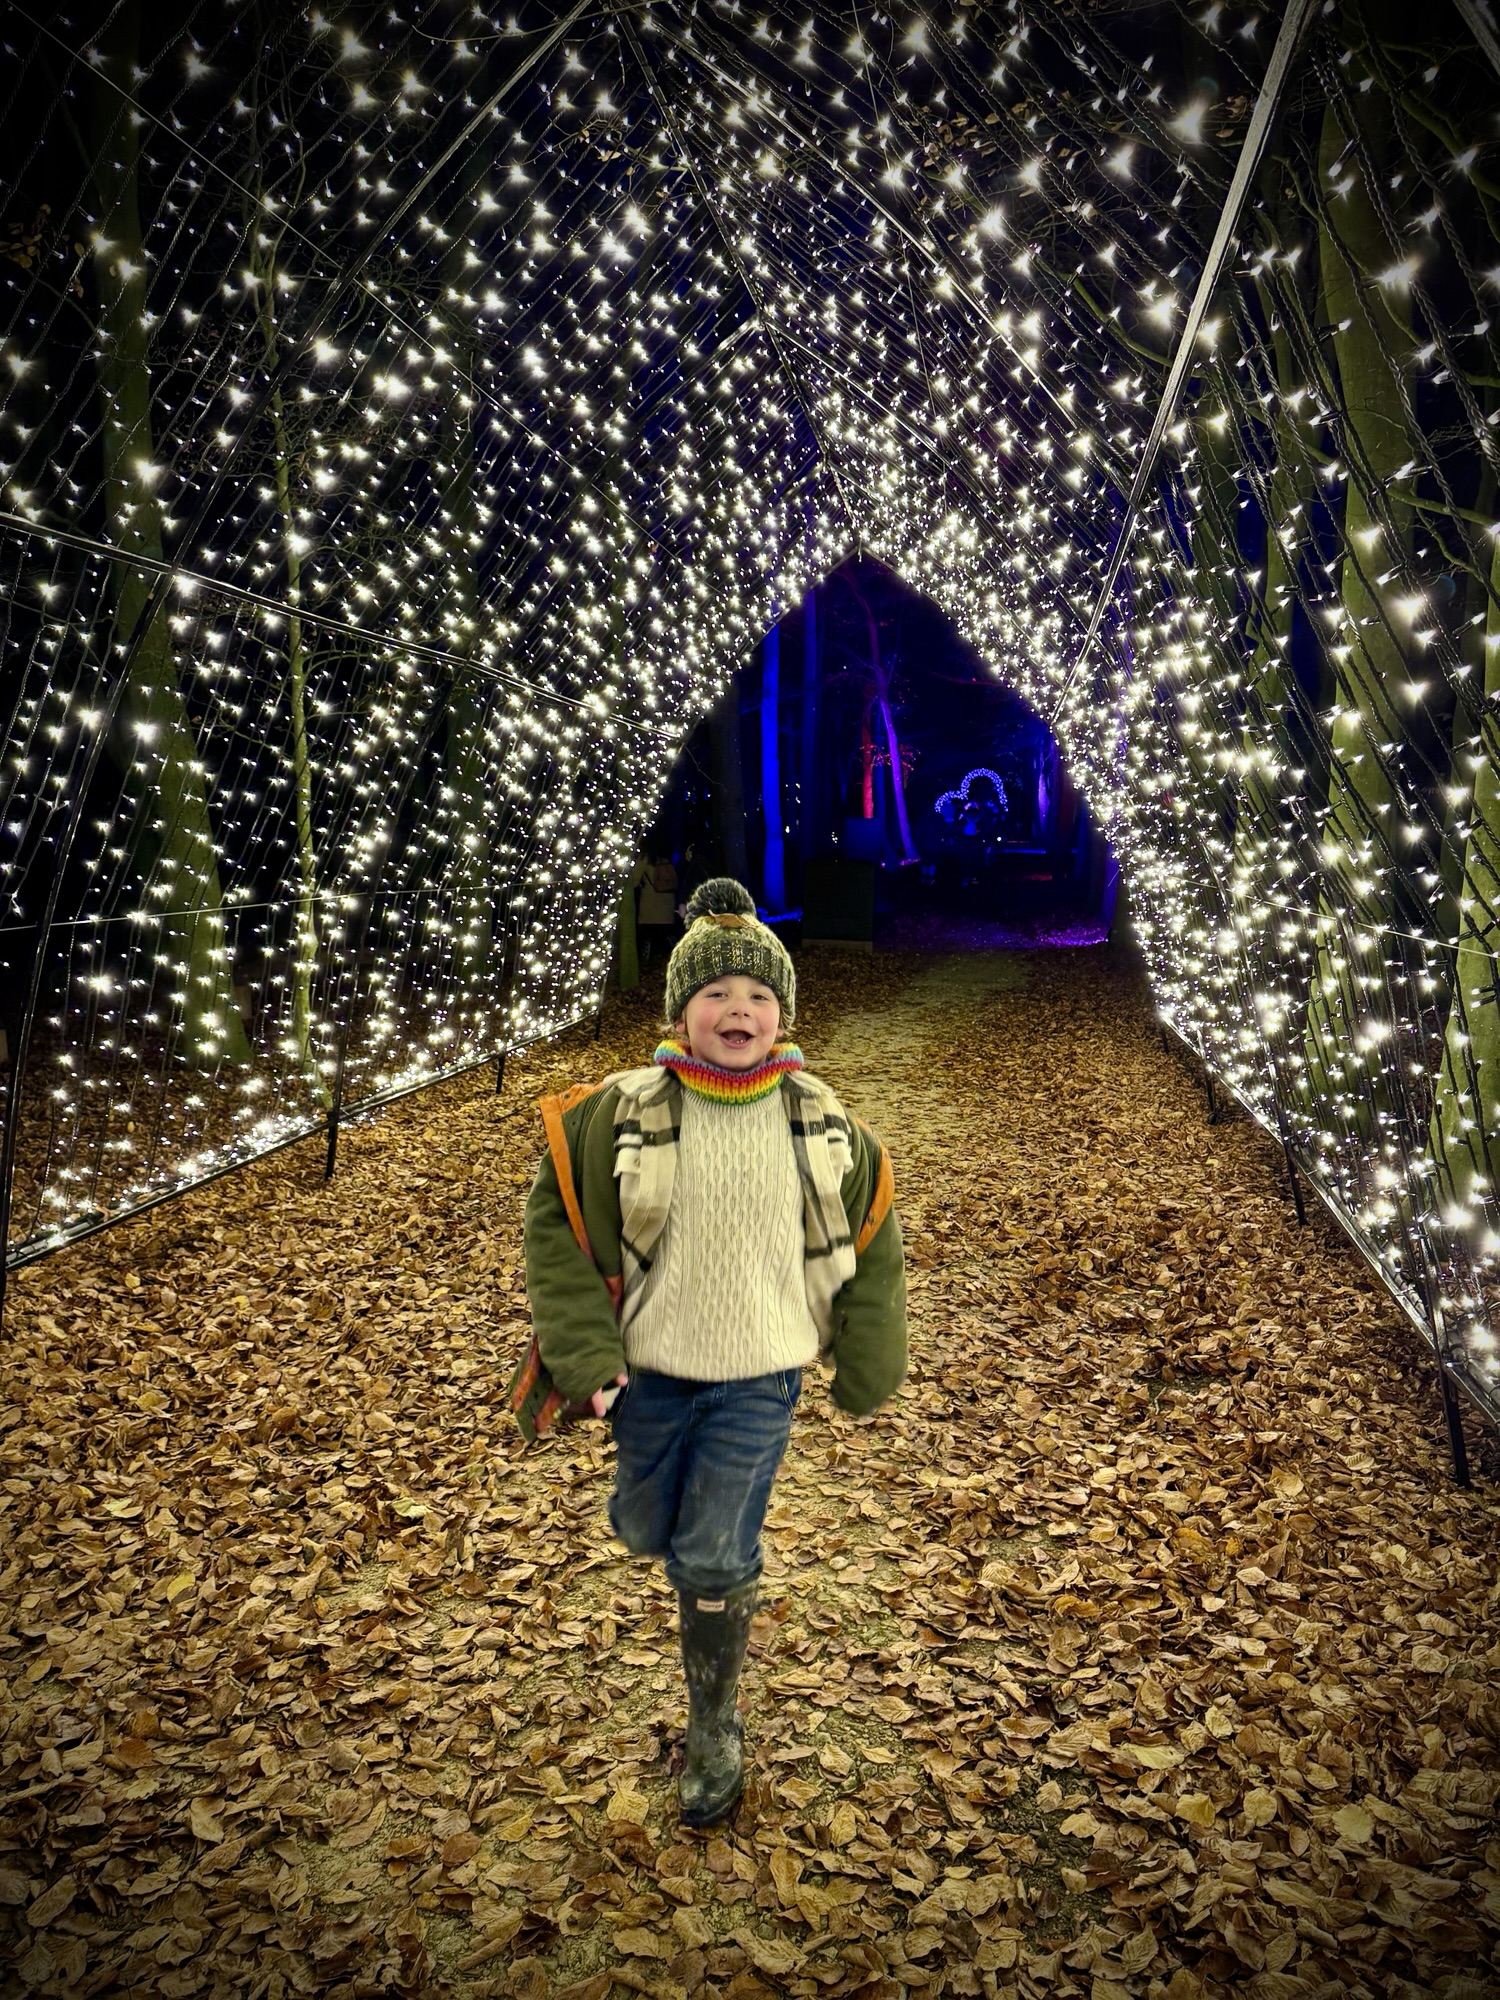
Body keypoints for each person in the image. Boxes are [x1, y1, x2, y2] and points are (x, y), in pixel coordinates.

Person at [522, 878, 907, 1828]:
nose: (739, 1010)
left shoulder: (823, 1122)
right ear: (680, 1011)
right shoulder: (618, 1113)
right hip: (648, 1372)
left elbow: (874, 1237)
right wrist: (587, 1358)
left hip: (760, 1375)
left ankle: (714, 1722)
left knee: (712, 1551)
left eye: (759, 997)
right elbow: (559, 1234)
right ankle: (679, 1558)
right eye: (716, 994)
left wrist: (869, 1351)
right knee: (648, 1529)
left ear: (781, 1017)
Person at [637, 851, 679, 966]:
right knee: (667, 937)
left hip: (651, 906)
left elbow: (635, 880)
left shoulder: (646, 859)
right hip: (668, 904)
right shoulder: (669, 858)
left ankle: (646, 965)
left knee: (647, 939)